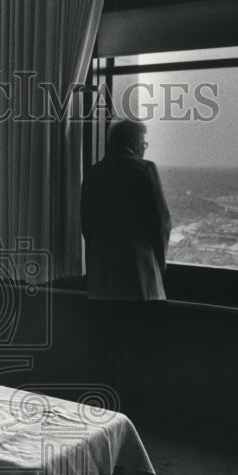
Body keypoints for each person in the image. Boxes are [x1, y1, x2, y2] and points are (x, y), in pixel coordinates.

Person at [80, 119, 172, 401]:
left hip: (101, 281)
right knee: (136, 350)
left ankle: (108, 405)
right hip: (137, 280)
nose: (145, 149)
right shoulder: (145, 169)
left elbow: (86, 224)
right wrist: (160, 264)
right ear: (133, 144)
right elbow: (161, 222)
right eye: (143, 143)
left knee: (107, 350)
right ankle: (135, 410)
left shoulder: (94, 173)